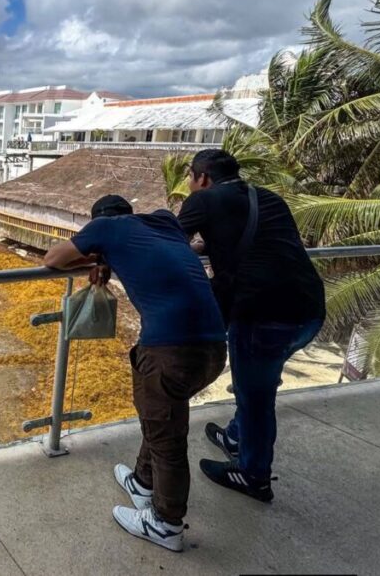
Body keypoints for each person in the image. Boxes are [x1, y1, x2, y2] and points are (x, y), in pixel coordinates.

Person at [43, 194, 226, 552]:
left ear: (98, 220)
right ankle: (143, 482)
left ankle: (166, 524)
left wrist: (96, 255)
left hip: (171, 350)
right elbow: (171, 251)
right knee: (159, 415)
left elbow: (53, 258)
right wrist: (107, 258)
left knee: (168, 438)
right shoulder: (164, 221)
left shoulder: (105, 227)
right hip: (214, 347)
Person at [177, 149, 325, 502]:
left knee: (256, 396)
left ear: (202, 177)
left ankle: (253, 475)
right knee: (258, 382)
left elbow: (167, 241)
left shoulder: (203, 200)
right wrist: (210, 242)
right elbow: (265, 243)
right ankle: (235, 437)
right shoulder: (267, 197)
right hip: (309, 309)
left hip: (264, 316)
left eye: (190, 177)